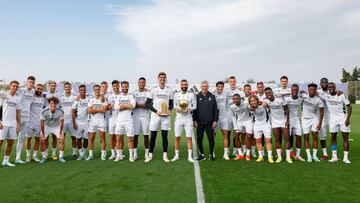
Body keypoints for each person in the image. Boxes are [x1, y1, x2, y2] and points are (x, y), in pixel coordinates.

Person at [145, 72, 174, 163]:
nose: (162, 79)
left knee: (164, 136)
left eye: (164, 77)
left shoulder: (169, 90)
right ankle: (150, 155)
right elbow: (147, 103)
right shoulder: (154, 90)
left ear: (166, 79)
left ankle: (165, 155)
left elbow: (171, 103)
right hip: (155, 116)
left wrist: (169, 110)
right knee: (153, 136)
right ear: (158, 79)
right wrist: (156, 111)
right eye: (161, 77)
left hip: (165, 116)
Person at [325, 83, 352, 164]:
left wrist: (347, 119)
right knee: (333, 137)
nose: (331, 88)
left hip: (343, 119)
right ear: (328, 88)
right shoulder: (326, 96)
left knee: (345, 137)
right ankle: (334, 156)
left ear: (335, 87)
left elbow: (349, 106)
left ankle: (345, 158)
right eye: (330, 87)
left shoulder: (341, 95)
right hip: (332, 120)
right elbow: (316, 92)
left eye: (333, 87)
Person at [171, 79, 197, 163]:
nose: (184, 86)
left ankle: (190, 156)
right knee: (177, 137)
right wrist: (177, 109)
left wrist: (189, 109)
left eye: (185, 84)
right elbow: (175, 105)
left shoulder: (191, 95)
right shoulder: (176, 95)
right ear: (180, 85)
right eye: (182, 84)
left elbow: (195, 106)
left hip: (188, 118)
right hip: (179, 118)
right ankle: (177, 155)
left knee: (189, 137)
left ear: (187, 85)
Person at [193, 80, 218, 161]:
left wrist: (215, 120)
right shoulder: (197, 96)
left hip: (210, 123)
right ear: (201, 87)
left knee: (211, 139)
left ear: (208, 87)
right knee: (199, 138)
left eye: (206, 86)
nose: (204, 88)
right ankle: (202, 154)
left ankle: (211, 154)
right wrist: (194, 120)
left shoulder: (212, 96)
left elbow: (215, 110)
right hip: (199, 122)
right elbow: (194, 110)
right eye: (203, 86)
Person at [0, 80, 21, 167]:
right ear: (10, 86)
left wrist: (18, 124)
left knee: (10, 142)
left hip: (13, 123)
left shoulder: (18, 98)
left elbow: (18, 112)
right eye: (14, 86)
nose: (15, 88)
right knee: (0, 142)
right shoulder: (4, 95)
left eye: (16, 86)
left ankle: (6, 160)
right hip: (3, 123)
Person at [302, 83, 324, 162]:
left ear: (316, 90)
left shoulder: (318, 100)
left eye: (314, 89)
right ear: (308, 90)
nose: (312, 91)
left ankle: (314, 155)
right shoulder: (303, 96)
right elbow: (293, 94)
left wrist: (320, 123)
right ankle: (309, 155)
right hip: (305, 119)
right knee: (306, 137)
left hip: (314, 119)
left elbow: (322, 111)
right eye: (310, 89)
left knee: (315, 136)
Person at [15, 76, 35, 164]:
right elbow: (10, 91)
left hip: (27, 118)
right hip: (16, 117)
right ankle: (6, 158)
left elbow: (42, 94)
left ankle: (18, 158)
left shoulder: (33, 92)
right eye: (30, 82)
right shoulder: (20, 90)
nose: (31, 84)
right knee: (8, 138)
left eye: (33, 82)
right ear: (26, 82)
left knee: (21, 138)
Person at [114, 81, 136, 162]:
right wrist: (127, 106)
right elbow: (116, 107)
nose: (124, 88)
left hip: (129, 120)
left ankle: (131, 156)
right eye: (123, 86)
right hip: (119, 121)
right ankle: (119, 156)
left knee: (130, 139)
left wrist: (122, 106)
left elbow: (133, 106)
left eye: (126, 86)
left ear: (128, 87)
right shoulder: (118, 97)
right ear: (121, 87)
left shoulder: (131, 96)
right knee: (118, 139)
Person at [248, 95, 274, 163]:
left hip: (266, 124)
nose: (253, 102)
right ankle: (260, 156)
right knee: (258, 141)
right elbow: (251, 108)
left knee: (268, 140)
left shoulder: (263, 104)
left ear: (257, 100)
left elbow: (266, 104)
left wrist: (262, 102)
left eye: (254, 100)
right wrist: (252, 106)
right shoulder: (250, 107)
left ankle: (269, 157)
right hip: (256, 125)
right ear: (249, 102)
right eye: (251, 101)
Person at [39, 97, 65, 163]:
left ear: (57, 104)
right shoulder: (44, 111)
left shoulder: (61, 111)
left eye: (55, 103)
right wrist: (43, 134)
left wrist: (60, 133)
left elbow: (62, 122)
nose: (53, 105)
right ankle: (44, 157)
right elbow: (42, 123)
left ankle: (61, 157)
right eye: (51, 103)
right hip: (46, 126)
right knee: (42, 140)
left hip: (56, 126)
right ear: (49, 104)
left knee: (62, 139)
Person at [86, 85, 108, 161]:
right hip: (93, 121)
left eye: (98, 89)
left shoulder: (103, 99)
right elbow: (89, 111)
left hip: (101, 120)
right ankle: (91, 155)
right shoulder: (91, 99)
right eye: (95, 89)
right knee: (91, 138)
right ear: (93, 90)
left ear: (100, 90)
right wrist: (99, 109)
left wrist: (94, 109)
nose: (97, 91)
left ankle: (103, 154)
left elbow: (104, 110)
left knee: (102, 138)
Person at [26, 84, 46, 162]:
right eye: (38, 88)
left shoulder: (44, 99)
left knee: (37, 139)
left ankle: (34, 155)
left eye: (41, 89)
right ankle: (28, 155)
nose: (39, 90)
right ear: (35, 88)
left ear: (42, 90)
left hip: (39, 122)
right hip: (30, 121)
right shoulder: (31, 97)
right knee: (28, 139)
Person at [285, 84, 305, 161]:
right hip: (289, 119)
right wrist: (286, 120)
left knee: (299, 136)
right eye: (293, 90)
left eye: (296, 90)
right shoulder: (287, 99)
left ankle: (298, 155)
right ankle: (288, 155)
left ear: (298, 91)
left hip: (297, 119)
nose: (295, 91)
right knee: (288, 138)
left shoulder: (300, 98)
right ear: (291, 91)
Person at [132, 77, 150, 161]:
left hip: (145, 116)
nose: (142, 84)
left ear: (145, 84)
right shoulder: (134, 93)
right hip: (136, 116)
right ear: (138, 83)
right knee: (135, 135)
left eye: (143, 82)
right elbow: (133, 105)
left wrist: (138, 104)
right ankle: (135, 154)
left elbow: (148, 105)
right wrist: (143, 104)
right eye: (140, 82)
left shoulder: (148, 93)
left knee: (146, 135)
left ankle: (146, 154)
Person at [226, 76, 244, 157]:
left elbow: (243, 101)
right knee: (227, 133)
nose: (232, 83)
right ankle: (227, 150)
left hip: (238, 115)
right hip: (228, 115)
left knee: (236, 133)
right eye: (231, 81)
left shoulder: (240, 91)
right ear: (229, 82)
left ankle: (235, 149)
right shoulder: (226, 91)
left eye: (234, 81)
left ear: (236, 82)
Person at [229, 94, 252, 161]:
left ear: (240, 99)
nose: (236, 100)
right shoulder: (232, 107)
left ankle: (248, 154)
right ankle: (240, 154)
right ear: (233, 100)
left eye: (237, 99)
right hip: (239, 122)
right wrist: (235, 128)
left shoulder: (246, 103)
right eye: (234, 99)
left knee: (249, 136)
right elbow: (233, 116)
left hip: (248, 121)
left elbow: (252, 107)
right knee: (236, 136)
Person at [59, 82, 78, 160]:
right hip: (63, 120)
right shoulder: (61, 98)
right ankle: (61, 155)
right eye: (66, 87)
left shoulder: (74, 97)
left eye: (69, 87)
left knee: (74, 138)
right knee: (62, 138)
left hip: (71, 120)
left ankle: (74, 154)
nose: (67, 88)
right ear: (64, 88)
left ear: (71, 88)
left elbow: (77, 108)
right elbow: (58, 109)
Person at [72, 85, 90, 160]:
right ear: (79, 91)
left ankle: (84, 153)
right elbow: (73, 112)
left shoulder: (89, 99)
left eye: (84, 90)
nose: (82, 91)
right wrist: (74, 123)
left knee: (86, 139)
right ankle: (81, 154)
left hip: (87, 122)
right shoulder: (76, 100)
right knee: (78, 139)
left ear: (86, 91)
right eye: (81, 90)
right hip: (78, 122)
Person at [214, 81, 230, 160]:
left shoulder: (226, 94)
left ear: (223, 87)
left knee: (226, 134)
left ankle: (225, 153)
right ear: (216, 87)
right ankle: (212, 151)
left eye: (221, 86)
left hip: (224, 117)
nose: (220, 88)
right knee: (213, 135)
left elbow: (227, 105)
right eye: (219, 86)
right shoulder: (213, 95)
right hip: (215, 118)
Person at [44, 80, 61, 160]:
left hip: (55, 119)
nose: (53, 87)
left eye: (54, 85)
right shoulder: (44, 94)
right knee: (46, 137)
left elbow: (60, 106)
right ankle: (46, 153)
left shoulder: (58, 95)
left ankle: (54, 154)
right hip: (46, 118)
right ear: (48, 86)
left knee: (54, 137)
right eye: (51, 85)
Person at [317, 78, 330, 160]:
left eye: (326, 82)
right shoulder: (317, 92)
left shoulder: (332, 90)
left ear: (328, 83)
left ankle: (334, 154)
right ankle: (325, 154)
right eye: (323, 83)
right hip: (322, 117)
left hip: (332, 117)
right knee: (322, 137)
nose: (324, 84)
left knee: (333, 136)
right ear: (320, 84)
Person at [107, 80, 120, 160]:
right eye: (114, 86)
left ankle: (119, 153)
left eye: (117, 85)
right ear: (112, 87)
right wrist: (110, 106)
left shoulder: (122, 95)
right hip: (112, 118)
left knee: (119, 137)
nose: (116, 87)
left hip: (120, 118)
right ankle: (113, 153)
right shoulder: (110, 97)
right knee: (112, 136)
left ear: (119, 86)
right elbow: (107, 108)